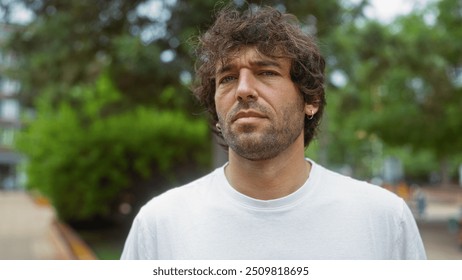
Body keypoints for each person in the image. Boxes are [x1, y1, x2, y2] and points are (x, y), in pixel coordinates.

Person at [121, 4, 426, 260]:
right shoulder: (160, 226)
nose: (242, 90)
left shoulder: (383, 219)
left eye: (266, 72)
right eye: (227, 78)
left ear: (311, 100)